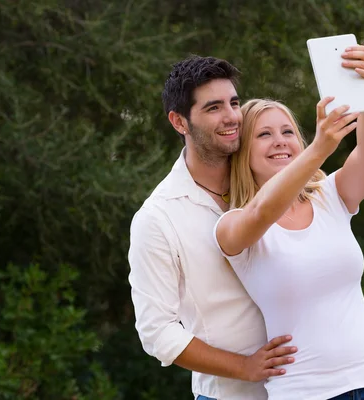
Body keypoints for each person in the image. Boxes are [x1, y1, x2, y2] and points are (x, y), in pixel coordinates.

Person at [214, 45, 364, 399]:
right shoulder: (232, 225)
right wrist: (319, 149)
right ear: (242, 152)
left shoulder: (330, 195)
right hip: (304, 391)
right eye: (264, 134)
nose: (280, 142)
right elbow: (261, 213)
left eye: (288, 132)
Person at [127, 55, 298, 400]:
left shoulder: (269, 178)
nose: (233, 116)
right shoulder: (158, 218)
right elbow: (157, 332)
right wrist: (244, 367)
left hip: (313, 385)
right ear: (179, 122)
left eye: (234, 103)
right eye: (214, 107)